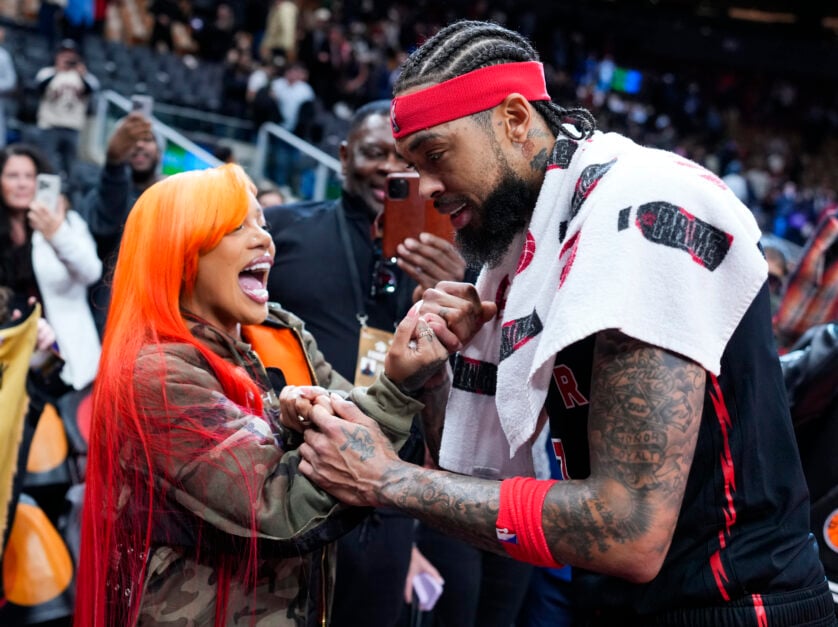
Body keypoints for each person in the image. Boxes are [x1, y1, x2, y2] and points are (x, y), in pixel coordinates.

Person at [289, 20, 835, 626]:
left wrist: (386, 480)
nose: (428, 189)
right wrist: (434, 379)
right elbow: (476, 483)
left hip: (737, 604)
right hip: (623, 602)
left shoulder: (641, 209)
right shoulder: (524, 244)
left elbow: (629, 528)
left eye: (436, 155)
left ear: (516, 121)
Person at [74, 163, 447, 626]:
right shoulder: (156, 374)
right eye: (236, 227)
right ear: (181, 251)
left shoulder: (280, 333)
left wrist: (425, 376)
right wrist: (394, 387)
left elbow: (382, 446)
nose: (264, 239)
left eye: (263, 224)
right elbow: (280, 509)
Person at [264, 99, 467, 626]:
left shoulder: (456, 254)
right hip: (301, 480)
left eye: (406, 161)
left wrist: (454, 287)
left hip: (393, 489)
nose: (388, 170)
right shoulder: (281, 233)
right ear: (343, 155)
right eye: (375, 153)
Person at [0, 144, 101, 393]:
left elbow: (91, 272)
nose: (22, 184)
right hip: (9, 355)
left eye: (30, 176)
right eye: (12, 176)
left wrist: (55, 233)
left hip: (65, 358)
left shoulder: (66, 222)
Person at [78, 111, 161, 333]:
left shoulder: (171, 197)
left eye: (148, 139)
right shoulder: (101, 193)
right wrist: (114, 164)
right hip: (107, 313)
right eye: (130, 140)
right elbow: (105, 221)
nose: (139, 146)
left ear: (159, 151)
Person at [34, 39, 99, 179]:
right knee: (45, 164)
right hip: (49, 125)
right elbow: (38, 90)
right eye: (65, 54)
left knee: (71, 167)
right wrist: (58, 71)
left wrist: (81, 75)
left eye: (72, 55)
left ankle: (69, 195)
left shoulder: (86, 77)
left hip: (73, 127)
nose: (68, 57)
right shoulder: (47, 72)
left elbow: (92, 92)